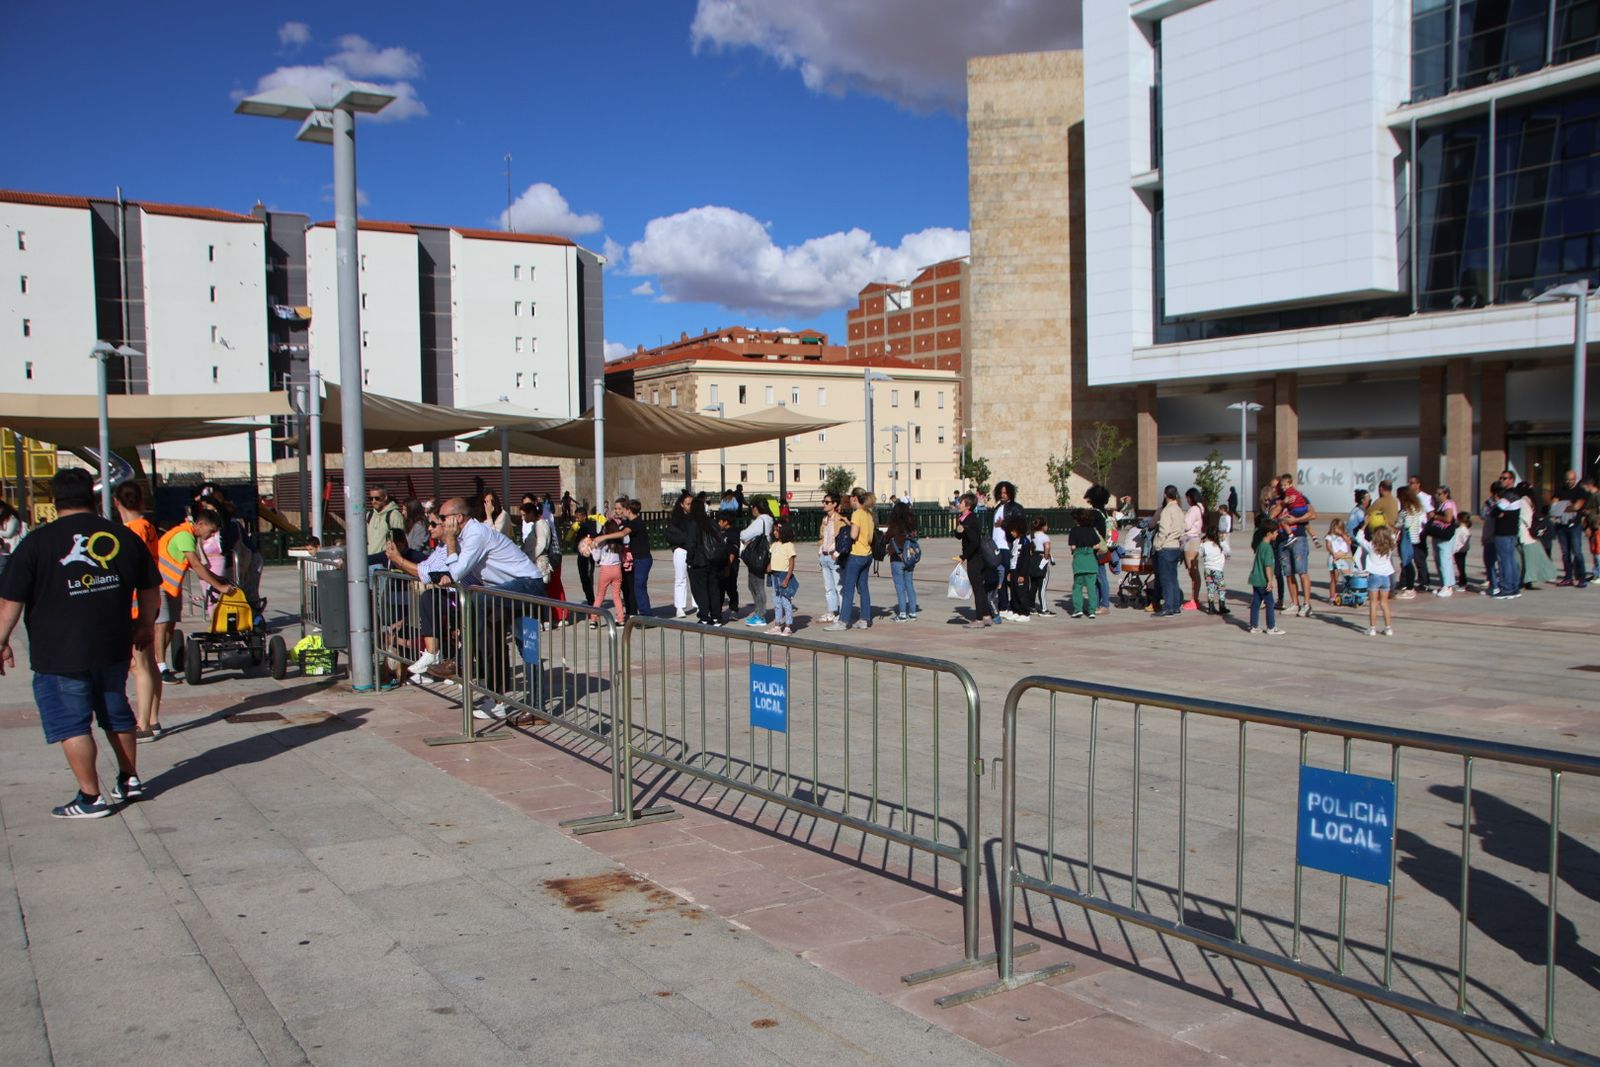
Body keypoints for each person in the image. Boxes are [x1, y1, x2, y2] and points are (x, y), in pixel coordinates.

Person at [0, 468, 159, 817]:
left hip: (59, 652)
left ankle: (90, 798)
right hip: (113, 644)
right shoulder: (122, 537)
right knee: (116, 712)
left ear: (55, 501)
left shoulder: (36, 543)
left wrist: (2, 640)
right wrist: (146, 625)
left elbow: (11, 600)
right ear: (93, 497)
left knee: (71, 723)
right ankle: (130, 778)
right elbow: (150, 587)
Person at [431, 496, 544, 720]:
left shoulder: (475, 534)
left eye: (443, 518)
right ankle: (497, 699)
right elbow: (444, 570)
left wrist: (451, 543)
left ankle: (461, 661)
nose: (440, 523)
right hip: (502, 592)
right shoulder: (463, 537)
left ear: (458, 518)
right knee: (497, 641)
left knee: (527, 645)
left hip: (527, 585)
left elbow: (456, 572)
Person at [154, 508, 234, 683]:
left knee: (170, 625)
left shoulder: (189, 536)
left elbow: (190, 565)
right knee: (162, 624)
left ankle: (157, 663)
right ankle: (160, 668)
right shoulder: (184, 535)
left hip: (171, 586)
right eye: (211, 530)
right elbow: (196, 565)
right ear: (200, 524)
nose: (211, 535)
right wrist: (219, 586)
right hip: (159, 585)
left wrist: (217, 578)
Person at [114, 483, 164, 741]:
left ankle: (143, 723)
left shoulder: (132, 531)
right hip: (148, 603)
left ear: (117, 503)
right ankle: (153, 718)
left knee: (140, 666)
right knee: (149, 665)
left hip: (134, 605)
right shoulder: (147, 527)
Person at [827, 489, 876, 631]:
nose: (849, 502)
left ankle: (843, 621)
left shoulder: (857, 513)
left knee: (848, 589)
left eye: (850, 499)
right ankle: (865, 619)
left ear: (855, 498)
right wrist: (849, 523)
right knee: (863, 588)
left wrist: (849, 527)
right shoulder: (868, 514)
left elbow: (854, 536)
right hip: (867, 554)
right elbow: (868, 536)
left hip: (856, 555)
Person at [1271, 472, 1318, 616]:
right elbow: (1271, 515)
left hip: (1298, 537)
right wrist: (1284, 503)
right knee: (1288, 572)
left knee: (1301, 571)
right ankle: (1294, 603)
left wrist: (1295, 521)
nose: (1276, 489)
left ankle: (1307, 604)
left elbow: (1313, 514)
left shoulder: (1300, 497)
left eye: (1277, 486)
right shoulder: (1277, 501)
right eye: (1276, 487)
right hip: (1282, 540)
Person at [954, 493, 994, 628]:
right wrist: (959, 530)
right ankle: (986, 616)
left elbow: (974, 542)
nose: (958, 504)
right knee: (980, 588)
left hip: (975, 558)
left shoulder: (970, 520)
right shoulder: (964, 518)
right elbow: (959, 536)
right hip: (975, 557)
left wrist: (963, 556)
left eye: (961, 502)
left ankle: (979, 619)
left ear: (968, 505)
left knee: (977, 588)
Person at [685, 497, 723, 626]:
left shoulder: (692, 523)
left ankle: (704, 616)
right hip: (713, 560)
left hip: (699, 561)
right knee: (713, 588)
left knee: (700, 589)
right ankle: (716, 616)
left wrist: (689, 560)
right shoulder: (711, 522)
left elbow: (691, 544)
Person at [738, 499, 776, 627]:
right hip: (762, 555)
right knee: (753, 584)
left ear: (756, 508)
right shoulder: (769, 519)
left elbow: (744, 535)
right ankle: (759, 612)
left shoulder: (761, 521)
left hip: (757, 556)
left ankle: (760, 614)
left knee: (756, 585)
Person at [1354, 524, 1397, 636]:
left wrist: (1364, 525)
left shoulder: (1371, 546)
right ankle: (1388, 628)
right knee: (1384, 603)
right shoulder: (1389, 547)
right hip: (1385, 577)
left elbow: (1359, 538)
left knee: (1373, 603)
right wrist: (1388, 525)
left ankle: (1372, 628)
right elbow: (1393, 535)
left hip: (1374, 577)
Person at [1247, 519, 1286, 636]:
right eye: (1276, 532)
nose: (1277, 534)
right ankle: (1271, 626)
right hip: (1263, 580)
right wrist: (1270, 580)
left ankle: (1254, 626)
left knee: (1256, 602)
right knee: (1269, 602)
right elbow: (1268, 566)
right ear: (1269, 533)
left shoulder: (1260, 545)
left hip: (1255, 579)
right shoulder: (1268, 548)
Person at [1551, 470, 1590, 588]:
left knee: (1577, 552)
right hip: (1561, 526)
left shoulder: (1580, 491)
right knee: (1565, 553)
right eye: (1567, 479)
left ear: (1575, 479)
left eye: (1572, 479)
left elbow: (1577, 506)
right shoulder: (1560, 490)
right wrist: (1566, 506)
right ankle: (1568, 578)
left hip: (1574, 526)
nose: (1569, 482)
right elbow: (1553, 506)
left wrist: (1563, 507)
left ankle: (1582, 578)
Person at [989, 482, 1024, 613]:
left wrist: (1004, 524)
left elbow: (1019, 526)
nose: (1003, 495)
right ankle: (1003, 605)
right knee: (999, 578)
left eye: (1005, 492)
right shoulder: (997, 507)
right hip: (995, 547)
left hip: (1007, 546)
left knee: (1009, 578)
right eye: (1001, 492)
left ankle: (1014, 605)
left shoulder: (1015, 508)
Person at [664, 492, 698, 619]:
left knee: (695, 577)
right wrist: (686, 540)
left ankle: (698, 603)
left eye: (691, 504)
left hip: (694, 550)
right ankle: (680, 607)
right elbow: (671, 535)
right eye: (688, 504)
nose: (690, 506)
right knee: (680, 578)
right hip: (681, 550)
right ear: (682, 505)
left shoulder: (696, 517)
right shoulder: (675, 519)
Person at [1152, 485, 1185, 618]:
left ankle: (1168, 607)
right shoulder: (1179, 510)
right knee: (1173, 578)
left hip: (1166, 546)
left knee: (1165, 579)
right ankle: (1176, 605)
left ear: (1165, 495)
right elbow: (1183, 529)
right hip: (1176, 546)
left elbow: (1163, 530)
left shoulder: (1167, 511)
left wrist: (1158, 545)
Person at [886, 501, 920, 622]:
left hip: (897, 558)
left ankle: (902, 614)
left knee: (900, 587)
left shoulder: (894, 524)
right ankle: (913, 612)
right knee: (909, 585)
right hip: (910, 558)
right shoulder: (912, 524)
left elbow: (886, 537)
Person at [621, 500, 654, 617]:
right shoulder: (634, 521)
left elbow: (622, 533)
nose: (621, 511)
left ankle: (646, 614)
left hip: (643, 559)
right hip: (639, 558)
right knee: (639, 587)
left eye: (623, 509)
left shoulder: (635, 523)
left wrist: (602, 537)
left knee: (639, 587)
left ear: (629, 510)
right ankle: (645, 612)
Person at [816, 492, 845, 623]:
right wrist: (820, 551)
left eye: (827, 502)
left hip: (834, 557)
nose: (824, 504)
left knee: (839, 586)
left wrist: (837, 553)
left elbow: (844, 540)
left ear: (834, 504)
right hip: (825, 556)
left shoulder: (840, 520)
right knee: (828, 587)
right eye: (824, 501)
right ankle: (831, 611)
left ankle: (843, 612)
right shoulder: (825, 520)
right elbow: (822, 537)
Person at [1067, 510, 1101, 620]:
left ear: (1077, 520)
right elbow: (1097, 545)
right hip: (1091, 561)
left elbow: (1073, 547)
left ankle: (1078, 610)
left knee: (1077, 587)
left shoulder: (1074, 531)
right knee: (1091, 588)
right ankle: (1092, 611)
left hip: (1079, 561)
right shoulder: (1091, 530)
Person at [1000, 515, 1035, 622]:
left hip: (1021, 572)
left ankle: (1025, 613)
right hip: (1014, 570)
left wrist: (1022, 575)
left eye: (1013, 530)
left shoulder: (1025, 542)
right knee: (1014, 592)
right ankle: (1016, 611)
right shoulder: (1015, 541)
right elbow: (1013, 557)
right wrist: (1010, 572)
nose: (1011, 533)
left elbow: (1025, 560)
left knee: (1022, 593)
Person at [767, 521, 798, 636]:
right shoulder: (774, 545)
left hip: (784, 575)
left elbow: (791, 563)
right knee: (776, 601)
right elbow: (772, 558)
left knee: (786, 601)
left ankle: (788, 626)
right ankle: (777, 625)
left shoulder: (789, 545)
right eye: (774, 530)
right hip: (774, 575)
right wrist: (769, 566)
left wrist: (787, 579)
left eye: (777, 530)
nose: (775, 532)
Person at [1395, 486, 1425, 598]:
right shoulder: (1414, 508)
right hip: (1412, 538)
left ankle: (1410, 588)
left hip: (1407, 538)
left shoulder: (1408, 509)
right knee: (1407, 563)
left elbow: (1406, 524)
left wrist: (1396, 523)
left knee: (1407, 563)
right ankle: (1409, 586)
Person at [366, 484, 405, 563]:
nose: (373, 501)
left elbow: (400, 543)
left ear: (385, 497)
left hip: (383, 563)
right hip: (368, 560)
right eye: (370, 498)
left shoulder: (394, 515)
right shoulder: (369, 515)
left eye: (377, 498)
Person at [1200, 522, 1231, 615]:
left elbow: (1200, 554)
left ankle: (1211, 607)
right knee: (1221, 588)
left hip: (1207, 570)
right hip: (1217, 570)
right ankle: (1222, 606)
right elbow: (1228, 552)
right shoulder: (1221, 544)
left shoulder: (1204, 545)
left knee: (1210, 588)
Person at [1324, 518, 1353, 605]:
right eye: (1336, 528)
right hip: (1334, 558)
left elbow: (1349, 542)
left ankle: (1349, 594)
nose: (1338, 530)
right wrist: (1333, 553)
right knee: (1334, 579)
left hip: (1343, 558)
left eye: (1340, 528)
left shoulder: (1344, 536)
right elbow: (1328, 546)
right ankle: (1332, 596)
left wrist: (1342, 534)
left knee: (1348, 576)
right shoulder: (1329, 537)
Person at [1031, 517, 1056, 616]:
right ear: (1042, 526)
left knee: (1033, 585)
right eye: (1046, 525)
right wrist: (1045, 560)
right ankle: (1044, 609)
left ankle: (1031, 606)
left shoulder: (1031, 536)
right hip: (1042, 558)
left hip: (1033, 559)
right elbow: (1047, 548)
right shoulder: (1045, 537)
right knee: (1042, 585)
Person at [0, 498, 27, 579]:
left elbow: (9, 533)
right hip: (5, 551)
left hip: (14, 549)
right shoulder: (2, 520)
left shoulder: (12, 519)